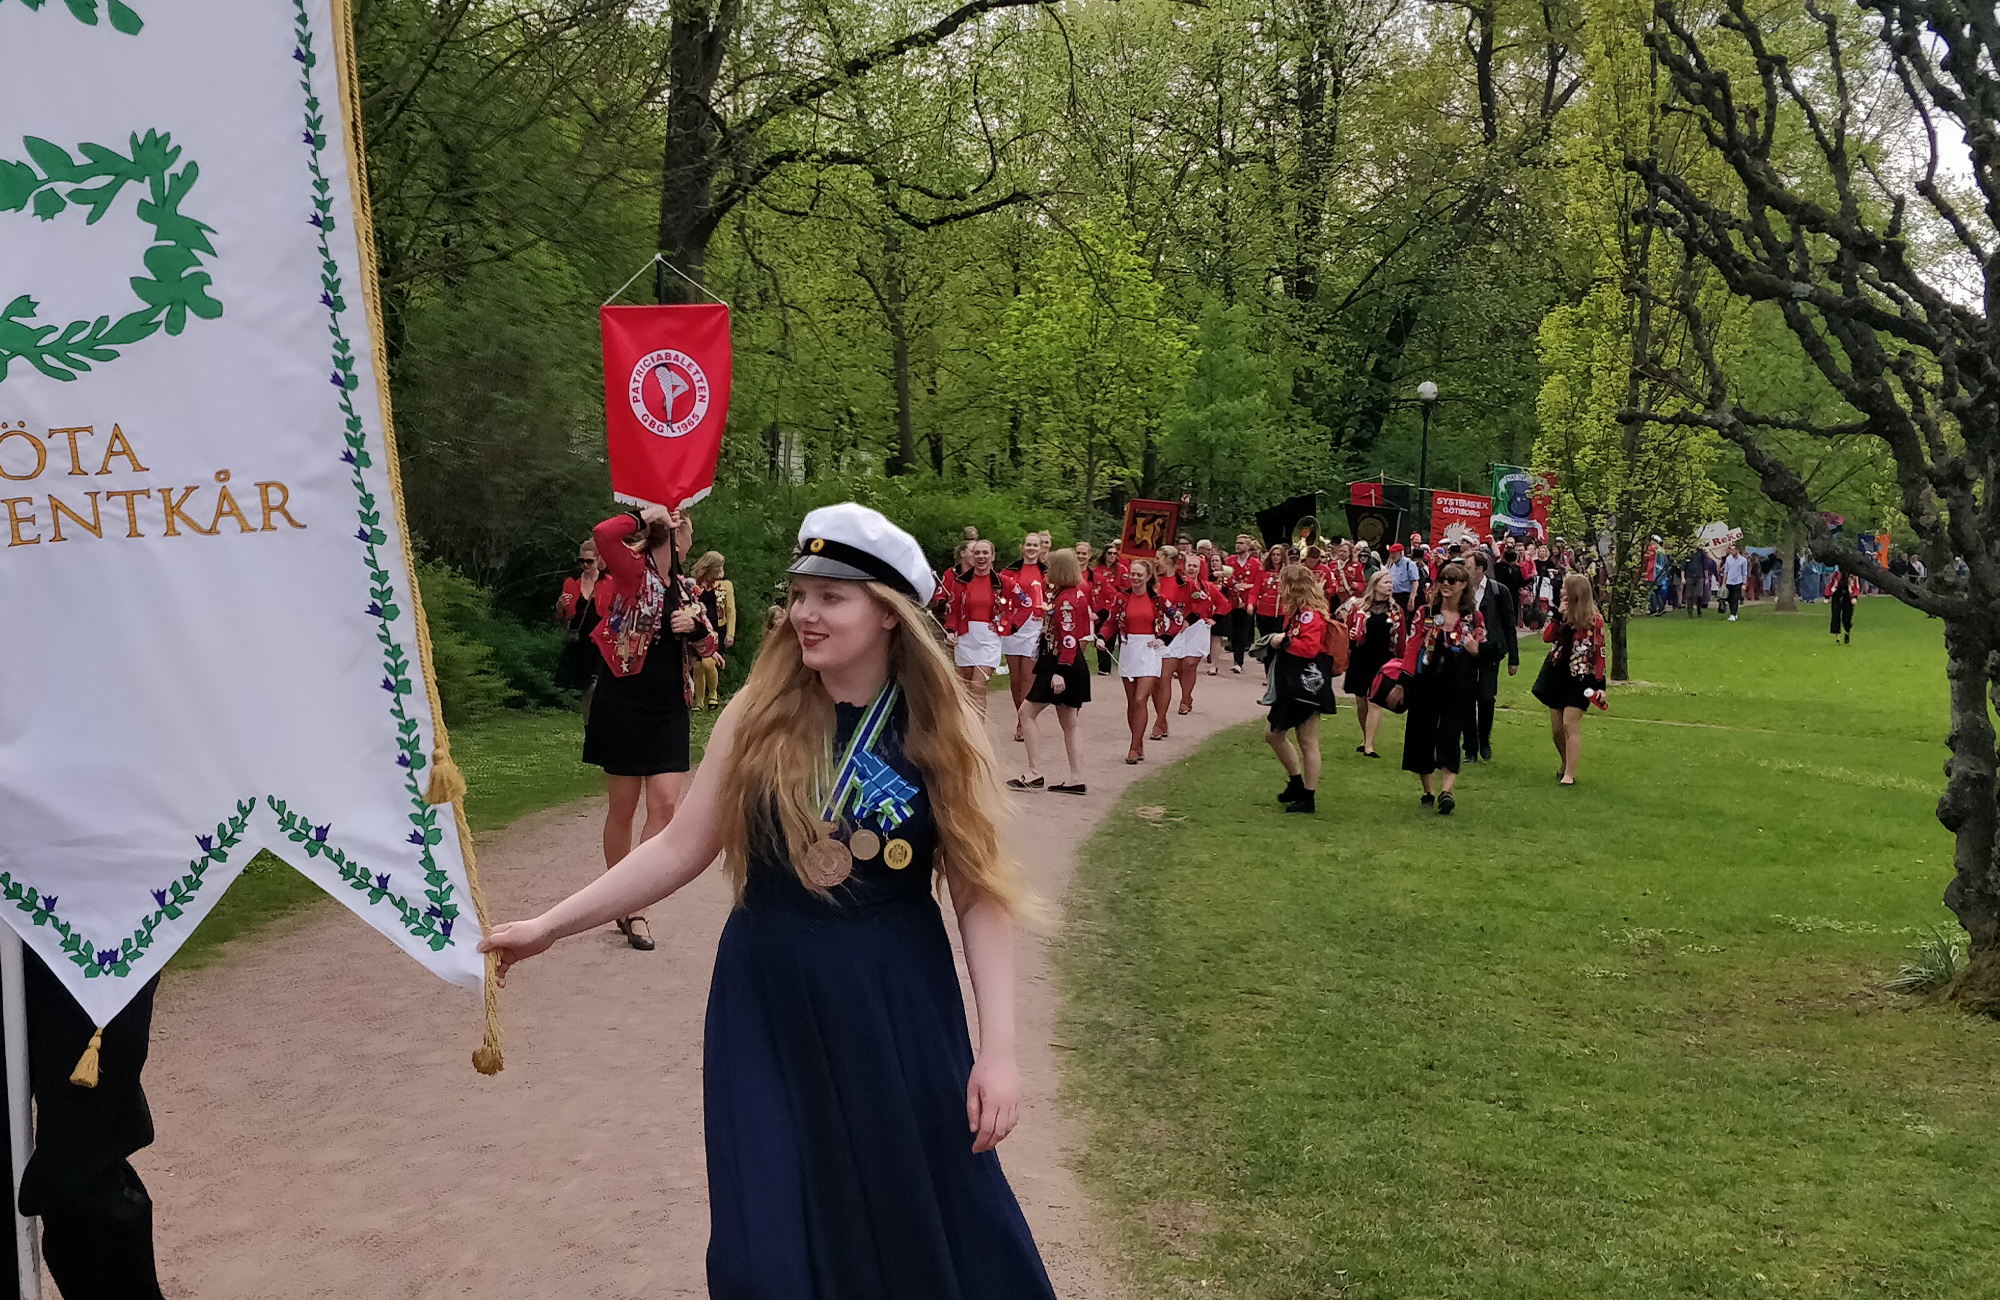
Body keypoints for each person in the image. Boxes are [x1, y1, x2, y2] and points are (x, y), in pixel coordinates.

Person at [482, 503, 1058, 1299]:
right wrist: (551, 925)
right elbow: (682, 845)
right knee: (764, 1247)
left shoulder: (940, 725)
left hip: (891, 999)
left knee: (918, 1212)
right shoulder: (757, 712)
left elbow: (979, 898)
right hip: (765, 996)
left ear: (887, 612)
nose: (804, 614)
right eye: (800, 593)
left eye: (832, 596)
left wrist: (999, 1051)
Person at [585, 504, 718, 951]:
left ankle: (638, 901)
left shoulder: (687, 587)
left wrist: (696, 626)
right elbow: (604, 534)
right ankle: (619, 902)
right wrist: (645, 518)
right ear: (673, 537)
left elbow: (709, 644)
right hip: (623, 700)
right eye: (687, 532)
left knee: (663, 805)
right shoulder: (631, 569)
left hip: (668, 705)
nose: (691, 539)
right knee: (622, 808)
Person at [1395, 561, 1484, 815]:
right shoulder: (1426, 612)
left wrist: (1476, 649)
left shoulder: (1473, 617)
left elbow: (1485, 649)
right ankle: (1428, 791)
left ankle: (1447, 791)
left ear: (1463, 585)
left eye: (1452, 580)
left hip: (1458, 684)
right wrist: (1404, 681)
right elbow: (1412, 647)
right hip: (1426, 682)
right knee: (1422, 735)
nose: (1445, 584)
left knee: (1449, 734)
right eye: (1442, 579)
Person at [1010, 547, 1092, 795]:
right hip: (1067, 661)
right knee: (1069, 722)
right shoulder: (1072, 594)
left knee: (1027, 712)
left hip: (1060, 662)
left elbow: (1068, 638)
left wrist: (1060, 671)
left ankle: (1035, 772)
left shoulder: (1065, 600)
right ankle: (1076, 776)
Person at [1265, 564, 1339, 814]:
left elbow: (1308, 648)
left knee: (1306, 740)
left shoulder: (1309, 615)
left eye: (1282, 583)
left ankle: (1307, 794)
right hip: (1296, 683)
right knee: (1275, 733)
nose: (1278, 588)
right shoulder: (1299, 613)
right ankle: (1297, 783)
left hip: (1306, 684)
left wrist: (1282, 641)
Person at [1532, 573, 1607, 785]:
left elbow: (1600, 653)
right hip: (1557, 674)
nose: (1561, 591)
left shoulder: (1595, 621)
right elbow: (1548, 637)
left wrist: (1600, 686)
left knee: (1569, 725)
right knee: (1556, 729)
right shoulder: (1562, 615)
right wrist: (1557, 615)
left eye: (1564, 588)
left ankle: (1569, 775)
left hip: (1581, 678)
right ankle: (1565, 761)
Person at [1108, 558, 1183, 764]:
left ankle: (1133, 747)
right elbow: (1111, 621)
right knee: (1132, 702)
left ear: (1148, 576)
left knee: (1141, 699)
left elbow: (1178, 618)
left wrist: (1165, 639)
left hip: (1149, 649)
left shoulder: (1158, 599)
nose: (1134, 577)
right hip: (1129, 647)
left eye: (1139, 574)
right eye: (1132, 573)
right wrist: (1102, 637)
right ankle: (1138, 742)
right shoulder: (1122, 597)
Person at [944, 539, 1016, 717]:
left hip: (989, 639)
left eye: (985, 553)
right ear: (971, 556)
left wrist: (1007, 625)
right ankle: (965, 728)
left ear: (993, 556)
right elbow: (952, 610)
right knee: (964, 688)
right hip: (966, 638)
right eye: (977, 553)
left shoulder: (1003, 582)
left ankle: (978, 731)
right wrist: (951, 630)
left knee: (978, 686)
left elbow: (1025, 603)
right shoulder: (960, 582)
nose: (981, 557)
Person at [1342, 569, 1405, 759]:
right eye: (1386, 582)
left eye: (1390, 583)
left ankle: (1370, 745)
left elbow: (1401, 638)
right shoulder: (1358, 608)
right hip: (1361, 659)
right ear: (1375, 585)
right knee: (1361, 703)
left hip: (1383, 661)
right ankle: (1365, 738)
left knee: (1374, 702)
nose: (1389, 585)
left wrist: (1401, 662)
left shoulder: (1396, 611)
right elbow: (1348, 632)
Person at [1465, 550, 1520, 763]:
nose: (1466, 572)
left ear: (1480, 569)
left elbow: (1509, 624)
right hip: (1466, 650)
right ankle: (1470, 747)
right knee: (1467, 698)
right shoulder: (1462, 590)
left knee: (1486, 697)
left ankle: (1484, 739)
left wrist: (1513, 658)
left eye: (1469, 568)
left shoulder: (1499, 591)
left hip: (1490, 650)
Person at [1000, 534, 1050, 738]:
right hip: (1013, 625)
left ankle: (1024, 722)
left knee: (1029, 675)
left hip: (1035, 626)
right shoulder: (1009, 571)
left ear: (1040, 549)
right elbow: (1002, 596)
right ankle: (1021, 714)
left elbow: (1052, 597)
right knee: (1016, 678)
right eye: (1028, 544)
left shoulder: (1047, 572)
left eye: (1035, 545)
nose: (1031, 548)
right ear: (1023, 547)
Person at [1168, 551, 1225, 715]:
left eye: (1195, 566)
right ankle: (1186, 693)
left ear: (1201, 569)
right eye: (1189, 565)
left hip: (1198, 627)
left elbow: (1224, 604)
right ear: (1184, 567)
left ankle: (1185, 698)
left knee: (1190, 664)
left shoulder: (1207, 587)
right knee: (1178, 666)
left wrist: (1215, 619)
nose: (1192, 568)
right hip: (1179, 626)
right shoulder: (1177, 584)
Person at [555, 538, 606, 707]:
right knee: (586, 689)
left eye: (589, 561)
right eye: (582, 561)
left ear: (598, 559)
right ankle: (589, 726)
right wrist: (560, 606)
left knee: (597, 686)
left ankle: (599, 723)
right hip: (580, 642)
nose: (585, 565)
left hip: (601, 642)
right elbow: (563, 619)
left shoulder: (608, 583)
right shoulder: (571, 584)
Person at [690, 550, 737, 710]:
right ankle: (699, 701)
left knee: (708, 662)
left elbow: (731, 610)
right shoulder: (693, 584)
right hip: (699, 629)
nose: (720, 570)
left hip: (718, 629)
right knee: (697, 666)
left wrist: (730, 633)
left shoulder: (725, 585)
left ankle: (714, 695)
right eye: (717, 567)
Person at [1222, 535, 1262, 673]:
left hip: (1246, 602)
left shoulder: (1256, 564)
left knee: (1242, 632)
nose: (1237, 545)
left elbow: (1258, 585)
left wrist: (1247, 588)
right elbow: (1224, 580)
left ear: (1248, 546)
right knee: (1232, 631)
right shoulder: (1229, 561)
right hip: (1231, 601)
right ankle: (1234, 653)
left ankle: (1238, 661)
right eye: (1237, 542)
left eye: (1241, 543)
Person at [1087, 540, 1125, 676]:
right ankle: (1104, 667)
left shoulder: (1122, 570)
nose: (1112, 556)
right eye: (1109, 553)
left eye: (1115, 553)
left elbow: (1127, 587)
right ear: (1104, 554)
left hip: (1117, 606)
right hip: (1100, 607)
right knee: (1101, 635)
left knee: (1113, 636)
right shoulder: (1096, 571)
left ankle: (1121, 663)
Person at [1387, 542, 1422, 614]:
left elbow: (1415, 583)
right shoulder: (1392, 565)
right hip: (1394, 596)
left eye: (1394, 553)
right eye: (1391, 553)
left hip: (1405, 596)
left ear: (1400, 553)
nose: (1392, 556)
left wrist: (1412, 598)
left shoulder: (1409, 564)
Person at [1828, 563, 1857, 642]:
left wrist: (1854, 597)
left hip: (1848, 597)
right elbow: (1831, 584)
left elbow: (1855, 586)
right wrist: (1827, 596)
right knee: (1836, 615)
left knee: (1847, 617)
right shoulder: (1836, 575)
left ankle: (1847, 631)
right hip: (1837, 596)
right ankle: (1837, 637)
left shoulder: (1852, 576)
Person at [1722, 542, 1749, 620]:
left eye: (1733, 550)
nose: (1731, 551)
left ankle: (1733, 614)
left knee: (1735, 598)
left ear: (1737, 550)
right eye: (1730, 550)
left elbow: (1744, 573)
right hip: (1729, 581)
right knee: (1730, 598)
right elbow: (1726, 571)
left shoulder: (1743, 560)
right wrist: (1723, 582)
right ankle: (1733, 612)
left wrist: (1744, 583)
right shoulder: (1728, 559)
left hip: (1738, 581)